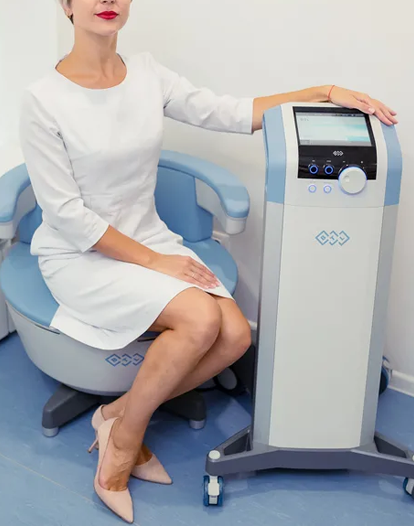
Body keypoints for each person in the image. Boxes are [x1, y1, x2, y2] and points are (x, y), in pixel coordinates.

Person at [19, 0, 398, 522]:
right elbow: (65, 217)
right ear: (65, 4)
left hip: (146, 239)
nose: (106, 0)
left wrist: (325, 92)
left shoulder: (148, 74)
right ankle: (123, 446)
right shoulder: (43, 99)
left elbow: (233, 113)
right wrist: (156, 262)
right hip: (81, 254)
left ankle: (115, 413)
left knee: (236, 336)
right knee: (200, 320)